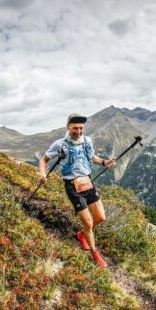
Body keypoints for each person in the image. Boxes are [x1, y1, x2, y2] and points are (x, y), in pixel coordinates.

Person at [39, 114, 116, 268]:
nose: (78, 131)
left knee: (100, 217)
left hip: (87, 183)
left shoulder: (87, 141)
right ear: (68, 126)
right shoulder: (60, 144)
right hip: (72, 185)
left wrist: (103, 162)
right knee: (88, 222)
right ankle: (94, 253)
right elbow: (43, 160)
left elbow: (90, 156)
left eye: (81, 128)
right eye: (75, 128)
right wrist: (42, 173)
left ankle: (82, 234)